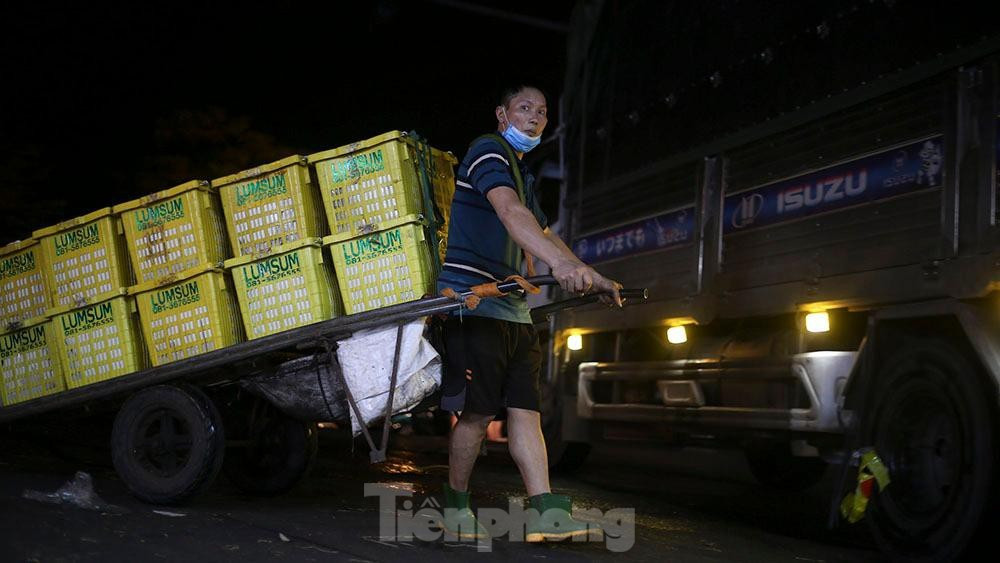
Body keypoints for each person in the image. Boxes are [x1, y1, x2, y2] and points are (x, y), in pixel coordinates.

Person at [436, 85, 623, 542]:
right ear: (501, 114)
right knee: (478, 415)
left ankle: (546, 513)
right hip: (473, 303)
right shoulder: (488, 151)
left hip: (514, 310)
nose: (535, 118)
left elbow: (541, 230)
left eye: (542, 112)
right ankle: (453, 507)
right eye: (525, 108)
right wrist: (560, 267)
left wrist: (589, 274)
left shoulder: (520, 171)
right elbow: (509, 211)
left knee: (525, 412)